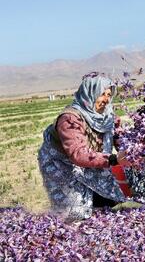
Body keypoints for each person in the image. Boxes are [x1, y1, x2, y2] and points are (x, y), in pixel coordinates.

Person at [38, 73, 131, 221]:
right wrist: (114, 159)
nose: (106, 100)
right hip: (61, 164)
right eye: (102, 94)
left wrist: (134, 150)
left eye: (109, 94)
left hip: (93, 161)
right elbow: (78, 154)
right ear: (89, 94)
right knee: (75, 213)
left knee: (109, 201)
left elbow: (118, 137)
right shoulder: (70, 119)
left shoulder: (108, 116)